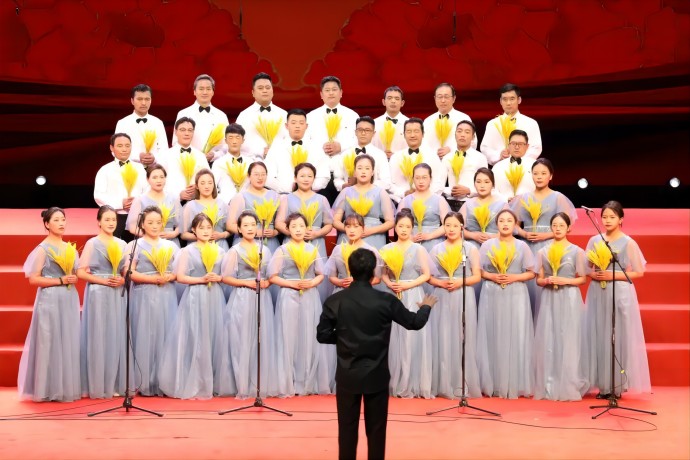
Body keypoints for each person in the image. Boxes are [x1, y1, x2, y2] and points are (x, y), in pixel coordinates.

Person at [317, 248, 436, 460]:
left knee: (347, 430)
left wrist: (345, 336)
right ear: (374, 272)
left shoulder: (335, 301)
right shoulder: (385, 300)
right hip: (377, 375)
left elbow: (322, 335)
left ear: (350, 270)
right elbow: (414, 323)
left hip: (347, 375)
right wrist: (425, 307)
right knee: (377, 432)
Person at [584, 201, 651, 398]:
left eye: (612, 217)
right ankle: (603, 385)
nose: (607, 220)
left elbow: (638, 272)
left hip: (619, 291)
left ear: (621, 219)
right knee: (599, 335)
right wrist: (595, 275)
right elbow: (586, 268)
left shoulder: (628, 242)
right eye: (604, 217)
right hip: (598, 291)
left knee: (617, 336)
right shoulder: (594, 240)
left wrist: (613, 275)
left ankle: (617, 385)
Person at [159, 213, 227, 399]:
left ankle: (212, 381)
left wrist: (218, 277)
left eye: (208, 228)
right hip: (196, 295)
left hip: (214, 296)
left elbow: (225, 275)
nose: (205, 231)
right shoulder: (187, 251)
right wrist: (201, 279)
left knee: (214, 335)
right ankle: (195, 380)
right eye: (201, 228)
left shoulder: (220, 251)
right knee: (196, 336)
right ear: (194, 230)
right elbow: (180, 277)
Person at [18, 207, 81, 402]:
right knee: (48, 342)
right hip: (49, 300)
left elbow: (76, 273)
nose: (61, 223)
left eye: (63, 219)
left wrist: (72, 278)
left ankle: (63, 387)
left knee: (67, 341)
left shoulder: (70, 249)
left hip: (68, 299)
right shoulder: (42, 249)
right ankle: (44, 389)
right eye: (56, 220)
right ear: (47, 224)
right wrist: (60, 280)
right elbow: (34, 279)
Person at [270, 213, 333, 396]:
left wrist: (311, 283)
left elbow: (321, 274)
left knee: (309, 334)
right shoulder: (282, 250)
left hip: (309, 295)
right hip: (288, 294)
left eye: (301, 226)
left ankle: (306, 380)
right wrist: (292, 284)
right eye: (294, 226)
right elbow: (272, 276)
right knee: (288, 335)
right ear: (287, 229)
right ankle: (287, 381)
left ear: (307, 228)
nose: (298, 230)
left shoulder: (312, 249)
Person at [476, 209, 535, 399]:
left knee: (515, 333)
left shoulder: (522, 246)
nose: (505, 224)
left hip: (516, 293)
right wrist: (492, 276)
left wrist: (513, 277)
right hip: (491, 292)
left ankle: (514, 383)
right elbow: (479, 271)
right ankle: (492, 382)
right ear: (496, 224)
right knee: (492, 332)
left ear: (515, 224)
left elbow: (531, 273)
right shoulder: (487, 245)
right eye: (501, 220)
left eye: (509, 220)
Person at [533, 213, 589, 401]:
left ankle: (569, 382)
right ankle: (550, 381)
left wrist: (565, 281)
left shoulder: (577, 251)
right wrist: (547, 280)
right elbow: (539, 279)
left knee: (569, 337)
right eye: (555, 225)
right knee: (549, 336)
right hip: (550, 297)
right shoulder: (542, 252)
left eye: (561, 225)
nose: (557, 229)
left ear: (568, 228)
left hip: (570, 296)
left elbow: (582, 278)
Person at [511, 158, 577, 317]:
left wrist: (547, 234)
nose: (539, 177)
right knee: (528, 286)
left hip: (549, 247)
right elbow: (512, 224)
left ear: (551, 176)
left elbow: (567, 226)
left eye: (543, 173)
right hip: (527, 246)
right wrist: (524, 233)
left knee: (546, 287)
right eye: (535, 173)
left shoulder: (558, 197)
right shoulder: (523, 198)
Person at [221, 211, 277, 398]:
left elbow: (271, 275)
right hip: (243, 297)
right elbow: (226, 278)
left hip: (262, 297)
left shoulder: (265, 250)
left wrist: (267, 282)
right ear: (238, 228)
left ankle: (258, 384)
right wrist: (247, 283)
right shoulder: (234, 251)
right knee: (242, 339)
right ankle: (243, 384)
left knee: (260, 338)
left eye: (253, 224)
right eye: (245, 225)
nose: (250, 228)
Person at [125, 205, 179, 396]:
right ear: (142, 224)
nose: (155, 226)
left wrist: (169, 277)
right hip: (144, 295)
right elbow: (129, 272)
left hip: (166, 294)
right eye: (150, 222)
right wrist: (153, 279)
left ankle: (164, 380)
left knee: (167, 333)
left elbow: (178, 271)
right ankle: (144, 380)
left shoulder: (171, 246)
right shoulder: (135, 245)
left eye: (158, 222)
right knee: (145, 334)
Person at [427, 212, 482, 398]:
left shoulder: (470, 249)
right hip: (442, 295)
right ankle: (442, 382)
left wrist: (460, 282)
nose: (451, 229)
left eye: (455, 225)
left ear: (462, 227)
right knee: (442, 335)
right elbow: (429, 277)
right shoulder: (436, 249)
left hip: (462, 294)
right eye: (447, 225)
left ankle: (461, 382)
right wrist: (441, 283)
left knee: (462, 335)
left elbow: (477, 276)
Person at [381, 209, 433, 398]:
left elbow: (426, 274)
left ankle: (411, 381)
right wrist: (390, 284)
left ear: (412, 228)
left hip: (412, 293)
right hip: (393, 294)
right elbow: (384, 274)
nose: (403, 230)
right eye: (400, 226)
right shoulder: (387, 249)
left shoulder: (418, 249)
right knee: (393, 336)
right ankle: (394, 381)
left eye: (407, 227)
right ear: (394, 227)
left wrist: (407, 285)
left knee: (410, 337)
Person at [77, 205, 127, 399]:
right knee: (98, 335)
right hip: (98, 293)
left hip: (117, 292)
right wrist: (102, 281)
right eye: (107, 219)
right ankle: (97, 383)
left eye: (113, 219)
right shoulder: (92, 243)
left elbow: (125, 272)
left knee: (116, 334)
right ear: (98, 222)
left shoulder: (122, 244)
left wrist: (122, 280)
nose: (111, 223)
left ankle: (113, 382)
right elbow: (81, 272)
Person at [275, 163, 333, 300]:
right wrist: (294, 233)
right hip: (293, 243)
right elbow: (279, 223)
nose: (306, 179)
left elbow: (329, 224)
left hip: (316, 242)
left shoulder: (322, 199)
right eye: (302, 176)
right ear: (295, 178)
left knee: (317, 275)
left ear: (314, 178)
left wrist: (316, 233)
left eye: (309, 176)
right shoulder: (286, 198)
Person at [306, 76, 360, 203]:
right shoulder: (311, 117)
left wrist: (341, 146)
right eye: (327, 90)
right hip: (318, 174)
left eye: (334, 89)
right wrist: (322, 147)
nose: (331, 93)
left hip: (344, 174)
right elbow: (306, 141)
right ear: (321, 94)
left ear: (341, 93)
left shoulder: (352, 116)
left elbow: (359, 141)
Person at [332, 154, 395, 249]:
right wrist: (350, 229)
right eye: (360, 168)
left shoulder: (381, 193)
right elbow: (335, 221)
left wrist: (371, 231)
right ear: (354, 172)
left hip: (373, 236)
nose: (363, 171)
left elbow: (390, 222)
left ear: (372, 172)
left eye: (367, 168)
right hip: (349, 235)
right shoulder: (345, 192)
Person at [93, 133, 148, 241]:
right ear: (111, 148)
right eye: (120, 146)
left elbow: (147, 190)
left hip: (137, 216)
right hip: (115, 216)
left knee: (136, 247)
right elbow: (98, 195)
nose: (124, 149)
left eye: (127, 146)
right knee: (113, 246)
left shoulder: (140, 168)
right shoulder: (105, 170)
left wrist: (137, 201)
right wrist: (120, 203)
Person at [264, 108, 330, 194]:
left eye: (301, 123)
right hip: (283, 195)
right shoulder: (276, 147)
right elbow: (268, 176)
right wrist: (289, 189)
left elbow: (324, 174)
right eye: (293, 123)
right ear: (286, 126)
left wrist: (309, 188)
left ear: (306, 126)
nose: (297, 126)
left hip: (311, 195)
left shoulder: (316, 147)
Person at [480, 83, 542, 165]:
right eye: (505, 99)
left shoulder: (531, 123)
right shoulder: (492, 124)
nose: (508, 103)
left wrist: (520, 160)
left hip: (524, 167)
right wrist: (499, 155)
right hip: (500, 167)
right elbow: (485, 148)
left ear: (519, 100)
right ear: (500, 101)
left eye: (512, 99)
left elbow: (536, 147)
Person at [227, 161, 281, 254]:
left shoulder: (275, 196)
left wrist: (275, 232)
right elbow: (230, 225)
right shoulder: (240, 197)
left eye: (263, 174)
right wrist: (254, 232)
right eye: (256, 174)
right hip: (247, 242)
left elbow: (280, 222)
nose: (260, 178)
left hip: (271, 241)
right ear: (249, 176)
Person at [388, 118, 446, 203]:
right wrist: (404, 193)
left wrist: (423, 195)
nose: (412, 135)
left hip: (428, 202)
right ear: (404, 135)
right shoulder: (395, 157)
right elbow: (390, 183)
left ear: (423, 134)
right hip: (401, 201)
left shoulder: (432, 156)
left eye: (416, 131)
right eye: (409, 131)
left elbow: (439, 183)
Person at [174, 74, 229, 163]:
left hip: (214, 163)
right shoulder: (183, 114)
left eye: (208, 89)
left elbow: (226, 145)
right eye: (201, 89)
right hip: (189, 162)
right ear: (194, 91)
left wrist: (215, 155)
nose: (205, 92)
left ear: (213, 92)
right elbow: (176, 142)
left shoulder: (221, 116)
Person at [397, 163, 451, 252]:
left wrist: (430, 235)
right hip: (410, 243)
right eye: (417, 178)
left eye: (424, 177)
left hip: (434, 244)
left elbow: (448, 224)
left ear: (430, 179)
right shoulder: (405, 201)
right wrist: (410, 238)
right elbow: (397, 225)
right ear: (413, 179)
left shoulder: (439, 200)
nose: (421, 181)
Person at [126, 164, 182, 248]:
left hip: (170, 242)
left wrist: (173, 234)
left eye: (162, 177)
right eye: (154, 177)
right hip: (147, 242)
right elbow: (133, 227)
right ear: (148, 179)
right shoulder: (139, 200)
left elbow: (181, 224)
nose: (159, 181)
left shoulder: (174, 198)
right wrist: (150, 236)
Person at [235, 72, 288, 161]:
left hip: (279, 162)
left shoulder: (283, 115)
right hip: (251, 163)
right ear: (253, 92)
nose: (264, 90)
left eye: (268, 88)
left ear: (272, 91)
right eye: (260, 88)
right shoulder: (244, 116)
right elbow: (236, 143)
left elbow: (289, 141)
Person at [157, 117, 211, 202]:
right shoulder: (165, 155)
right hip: (172, 203)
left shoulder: (200, 156)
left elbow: (209, 179)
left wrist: (198, 189)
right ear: (175, 132)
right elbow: (158, 181)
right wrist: (178, 195)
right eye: (182, 130)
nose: (187, 133)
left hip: (197, 202)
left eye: (190, 130)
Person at [114, 83, 168, 167]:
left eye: (147, 99)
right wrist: (137, 157)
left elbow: (164, 150)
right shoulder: (122, 123)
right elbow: (116, 150)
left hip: (153, 170)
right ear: (132, 101)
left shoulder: (158, 123)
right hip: (130, 168)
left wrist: (154, 158)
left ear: (151, 100)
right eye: (139, 99)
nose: (143, 103)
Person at [325, 214, 381, 294]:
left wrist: (359, 283)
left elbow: (377, 279)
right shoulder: (338, 249)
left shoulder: (371, 250)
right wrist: (341, 282)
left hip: (362, 293)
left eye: (356, 226)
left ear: (363, 228)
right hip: (341, 292)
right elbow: (332, 277)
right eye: (348, 227)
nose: (351, 230)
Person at [333, 116, 391, 193]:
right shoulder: (345, 154)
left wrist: (365, 185)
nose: (363, 133)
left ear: (373, 133)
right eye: (360, 130)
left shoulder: (380, 155)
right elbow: (337, 179)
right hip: (349, 194)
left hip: (373, 195)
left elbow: (386, 182)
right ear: (355, 132)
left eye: (367, 130)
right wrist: (344, 185)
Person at [442, 120, 488, 211]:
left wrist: (469, 191)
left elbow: (486, 184)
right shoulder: (447, 158)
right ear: (455, 135)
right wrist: (451, 190)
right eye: (459, 131)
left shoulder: (480, 157)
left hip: (472, 203)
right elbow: (439, 183)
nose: (462, 135)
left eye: (467, 132)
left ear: (473, 137)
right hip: (449, 204)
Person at [422, 83, 477, 159]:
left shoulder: (463, 118)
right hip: (433, 162)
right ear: (435, 99)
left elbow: (473, 142)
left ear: (454, 98)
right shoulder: (428, 121)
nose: (443, 100)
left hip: (457, 161)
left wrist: (452, 150)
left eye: (446, 97)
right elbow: (423, 145)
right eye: (439, 97)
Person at [459, 168, 508, 251]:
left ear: (493, 185)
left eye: (486, 182)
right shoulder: (467, 204)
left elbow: (509, 230)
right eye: (478, 182)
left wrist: (491, 237)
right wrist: (474, 236)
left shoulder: (502, 205)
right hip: (472, 247)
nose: (482, 185)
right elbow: (458, 228)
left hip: (496, 246)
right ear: (474, 184)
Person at [180, 169, 230, 251]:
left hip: (220, 246)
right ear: (197, 186)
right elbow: (183, 234)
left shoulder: (222, 204)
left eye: (210, 183)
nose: (207, 186)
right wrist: (201, 236)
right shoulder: (190, 206)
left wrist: (221, 235)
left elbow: (230, 230)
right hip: (198, 248)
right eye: (202, 183)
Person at [491, 129, 535, 200]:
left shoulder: (535, 165)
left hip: (529, 204)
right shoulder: (497, 167)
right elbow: (492, 190)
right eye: (513, 143)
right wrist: (505, 199)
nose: (517, 147)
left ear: (527, 146)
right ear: (508, 145)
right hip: (503, 204)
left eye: (520, 144)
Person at [372, 85, 409, 157]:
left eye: (397, 99)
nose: (393, 101)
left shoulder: (409, 124)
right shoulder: (374, 124)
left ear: (402, 103)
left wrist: (396, 156)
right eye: (389, 98)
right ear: (383, 102)